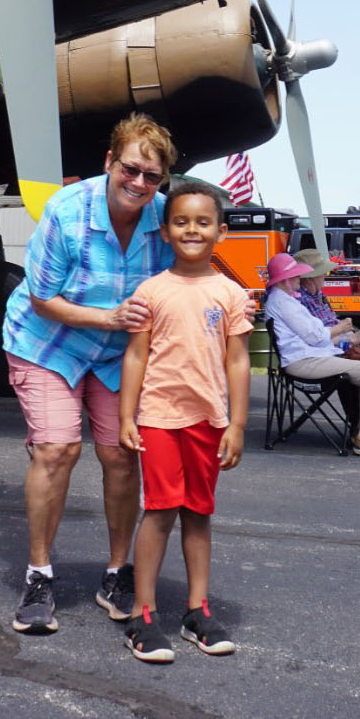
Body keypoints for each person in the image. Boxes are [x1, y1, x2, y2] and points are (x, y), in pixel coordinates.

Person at [2, 113, 181, 636]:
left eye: (153, 177)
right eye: (131, 169)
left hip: (116, 353)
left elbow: (184, 281)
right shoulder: (65, 211)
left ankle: (116, 572)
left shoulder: (167, 218)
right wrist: (108, 317)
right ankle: (38, 575)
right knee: (58, 448)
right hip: (47, 342)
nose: (140, 184)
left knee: (122, 454)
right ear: (109, 162)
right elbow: (42, 298)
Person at [118, 182, 251, 663]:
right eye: (181, 221)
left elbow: (238, 362)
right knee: (159, 510)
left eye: (202, 221)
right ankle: (142, 613)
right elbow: (136, 356)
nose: (191, 229)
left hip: (208, 420)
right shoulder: (152, 291)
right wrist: (126, 415)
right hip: (158, 417)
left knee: (198, 511)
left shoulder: (231, 294)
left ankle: (197, 610)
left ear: (221, 230)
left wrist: (236, 424)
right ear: (166, 230)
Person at [263, 251, 360, 458]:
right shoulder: (285, 303)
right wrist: (342, 329)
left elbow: (316, 334)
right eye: (294, 275)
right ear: (284, 280)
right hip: (305, 361)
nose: (298, 278)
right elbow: (316, 336)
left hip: (307, 358)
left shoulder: (284, 300)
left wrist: (341, 336)